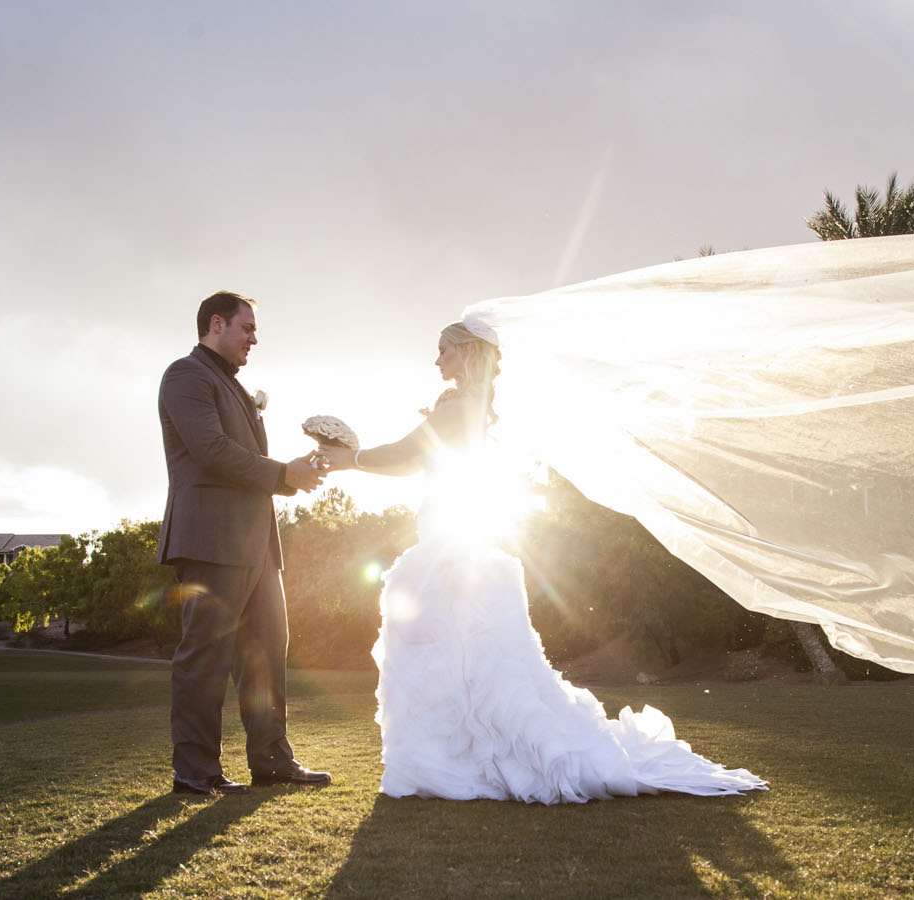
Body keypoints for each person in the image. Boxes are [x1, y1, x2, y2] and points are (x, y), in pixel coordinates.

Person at [316, 321, 766, 803]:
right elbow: (411, 463)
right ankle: (454, 756)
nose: (437, 359)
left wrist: (350, 458)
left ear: (466, 353)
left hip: (452, 546)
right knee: (455, 656)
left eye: (443, 350)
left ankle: (467, 758)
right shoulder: (464, 407)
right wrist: (357, 458)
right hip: (454, 536)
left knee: (459, 655)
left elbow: (406, 452)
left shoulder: (460, 409)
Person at [157, 291, 331, 794]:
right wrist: (284, 474)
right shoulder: (185, 376)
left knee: (267, 653)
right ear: (216, 323)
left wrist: (297, 472)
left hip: (258, 545)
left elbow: (243, 457)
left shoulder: (234, 386)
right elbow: (211, 451)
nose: (254, 338)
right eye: (247, 328)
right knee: (205, 658)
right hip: (211, 540)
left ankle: (272, 760)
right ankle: (196, 771)